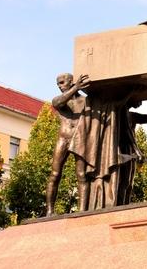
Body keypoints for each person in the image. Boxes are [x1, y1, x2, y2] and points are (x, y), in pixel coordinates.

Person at [46, 73, 90, 216]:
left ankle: (82, 210)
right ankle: (49, 211)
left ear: (70, 81)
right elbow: (58, 103)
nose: (59, 86)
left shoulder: (86, 101)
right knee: (55, 174)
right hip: (63, 138)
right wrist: (76, 87)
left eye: (62, 82)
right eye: (58, 84)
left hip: (79, 138)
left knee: (82, 175)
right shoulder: (59, 100)